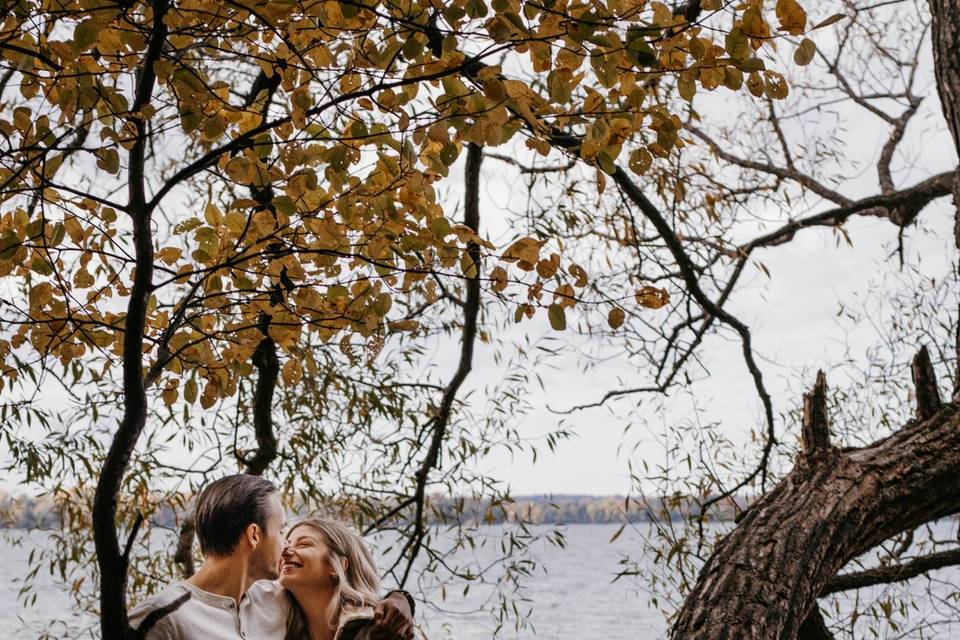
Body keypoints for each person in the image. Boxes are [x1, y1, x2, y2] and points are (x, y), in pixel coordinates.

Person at [129, 474, 414, 640]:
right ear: (254, 535)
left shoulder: (275, 600)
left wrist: (400, 599)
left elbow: (338, 608)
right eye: (280, 532)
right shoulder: (162, 618)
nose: (285, 547)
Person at [277, 517, 411, 640]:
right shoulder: (278, 626)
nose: (284, 552)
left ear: (338, 565)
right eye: (286, 545)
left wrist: (401, 597)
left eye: (304, 544)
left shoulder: (380, 627)